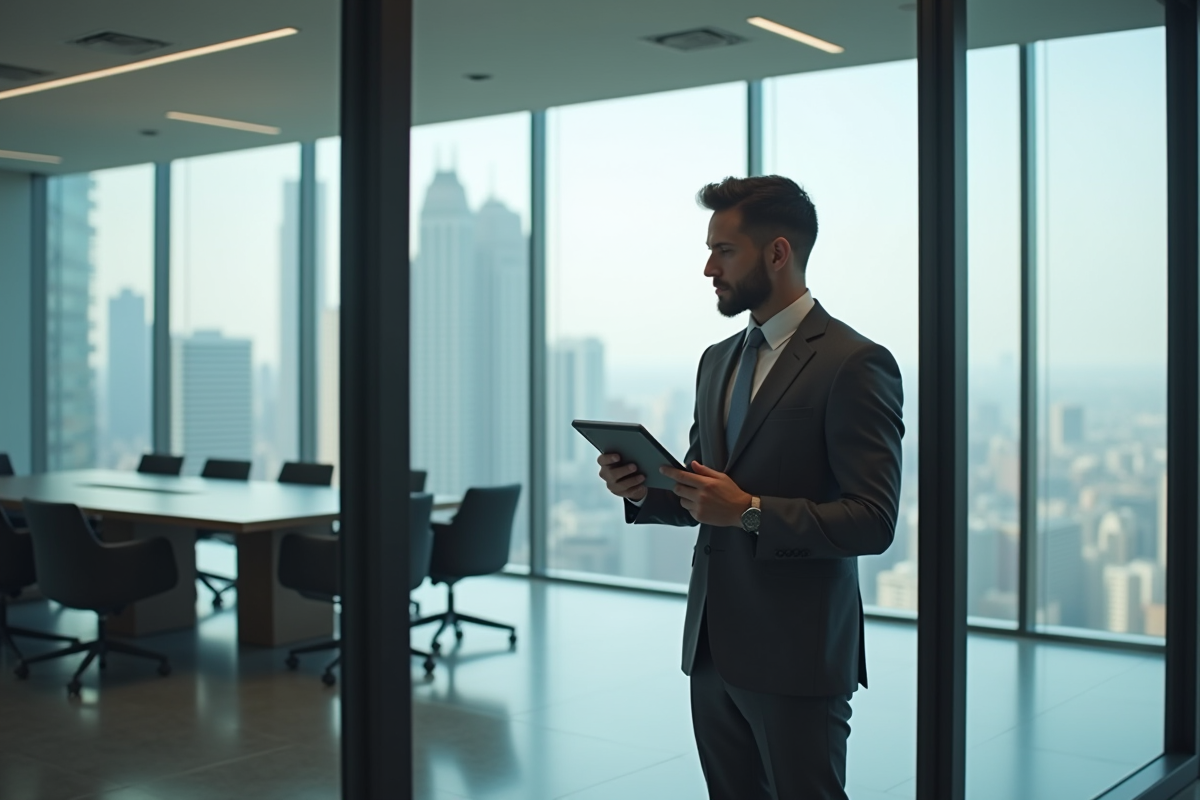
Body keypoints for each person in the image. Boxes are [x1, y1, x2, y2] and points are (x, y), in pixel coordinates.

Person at [596, 175, 904, 800]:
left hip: (796, 655)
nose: (708, 267)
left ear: (777, 253)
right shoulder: (717, 360)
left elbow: (873, 520)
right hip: (712, 649)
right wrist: (639, 489)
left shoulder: (855, 362)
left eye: (724, 250)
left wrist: (752, 512)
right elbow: (700, 490)